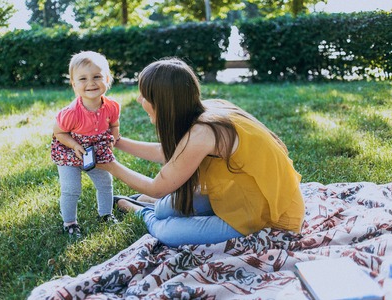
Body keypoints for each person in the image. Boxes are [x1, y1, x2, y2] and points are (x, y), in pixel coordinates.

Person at [99, 58, 304, 247]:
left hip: (264, 212)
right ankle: (154, 208)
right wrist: (117, 142)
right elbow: (171, 153)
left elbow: (157, 188)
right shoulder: (209, 110)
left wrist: (109, 165)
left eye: (143, 95)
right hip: (240, 193)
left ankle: (142, 211)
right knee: (164, 209)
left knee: (168, 231)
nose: (138, 100)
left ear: (162, 102)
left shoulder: (203, 133)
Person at [51, 51, 120, 237]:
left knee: (105, 182)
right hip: (69, 150)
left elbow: (115, 124)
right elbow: (59, 132)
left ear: (107, 79)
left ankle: (106, 214)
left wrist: (114, 136)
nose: (91, 83)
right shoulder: (71, 113)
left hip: (95, 150)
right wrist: (74, 145)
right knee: (71, 189)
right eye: (83, 78)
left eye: (97, 76)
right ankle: (70, 223)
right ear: (74, 85)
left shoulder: (112, 106)